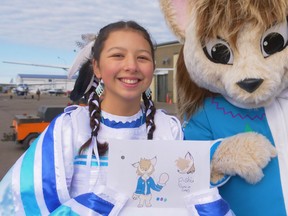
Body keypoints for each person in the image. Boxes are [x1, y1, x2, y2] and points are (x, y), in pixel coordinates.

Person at [0, 20, 183, 215]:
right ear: (96, 67)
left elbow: (179, 197)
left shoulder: (169, 129)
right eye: (118, 55)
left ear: (153, 67)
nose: (131, 66)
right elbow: (19, 203)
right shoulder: (69, 128)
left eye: (142, 57)